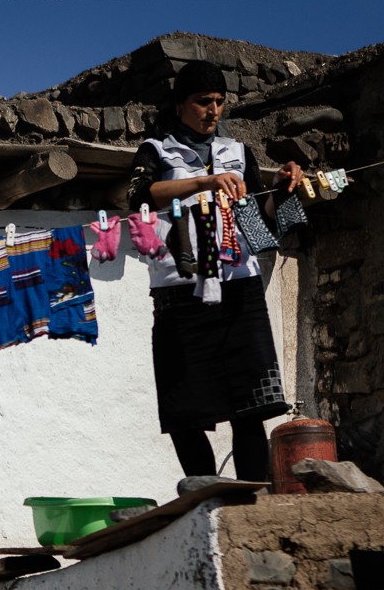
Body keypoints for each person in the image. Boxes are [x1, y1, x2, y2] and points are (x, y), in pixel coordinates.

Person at [127, 60, 305, 483]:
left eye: (220, 102)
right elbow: (139, 197)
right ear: (180, 105)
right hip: (180, 289)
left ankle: (253, 495)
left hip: (238, 287)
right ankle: (204, 497)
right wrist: (203, 183)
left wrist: (281, 189)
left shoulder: (238, 153)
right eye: (203, 101)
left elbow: (255, 218)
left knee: (252, 403)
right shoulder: (158, 150)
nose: (213, 110)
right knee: (184, 404)